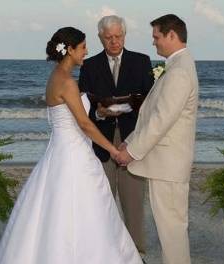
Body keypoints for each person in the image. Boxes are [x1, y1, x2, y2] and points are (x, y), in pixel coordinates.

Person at [0, 27, 143, 264]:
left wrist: (101, 111)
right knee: (84, 211)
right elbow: (84, 124)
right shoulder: (68, 83)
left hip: (59, 153)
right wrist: (113, 149)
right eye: (83, 47)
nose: (87, 51)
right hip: (74, 155)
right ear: (70, 50)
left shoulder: (55, 77)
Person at [116, 14, 199, 264]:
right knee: (170, 230)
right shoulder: (177, 66)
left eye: (157, 37)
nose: (154, 43)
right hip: (166, 165)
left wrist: (132, 152)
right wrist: (129, 141)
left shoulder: (180, 71)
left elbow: (161, 120)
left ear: (172, 35)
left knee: (172, 231)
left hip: (169, 166)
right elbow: (151, 114)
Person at [78, 15, 153, 257]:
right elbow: (82, 106)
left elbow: (152, 102)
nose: (114, 41)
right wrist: (98, 114)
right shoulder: (89, 66)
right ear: (100, 37)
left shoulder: (141, 61)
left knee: (133, 202)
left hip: (134, 140)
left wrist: (138, 105)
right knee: (103, 202)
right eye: (108, 37)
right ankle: (106, 255)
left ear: (124, 35)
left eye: (118, 36)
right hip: (103, 141)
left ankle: (137, 254)